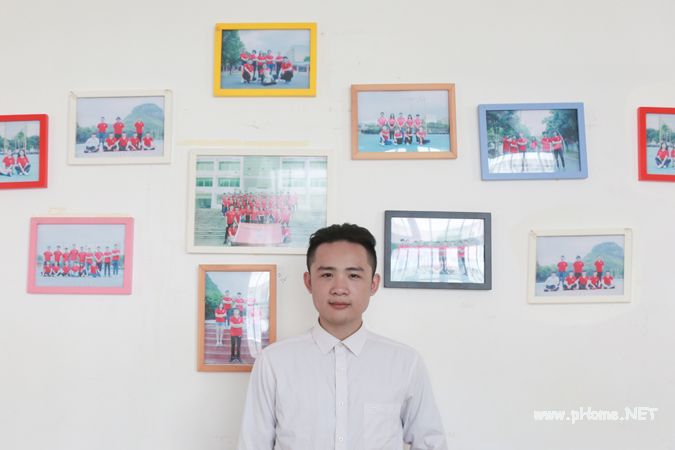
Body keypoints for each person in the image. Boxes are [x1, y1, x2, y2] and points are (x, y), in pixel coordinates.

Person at [238, 223, 447, 449]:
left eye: (353, 275)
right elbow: (253, 444)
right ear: (308, 282)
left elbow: (430, 444)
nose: (339, 288)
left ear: (373, 284)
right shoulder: (274, 362)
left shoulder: (405, 363)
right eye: (327, 274)